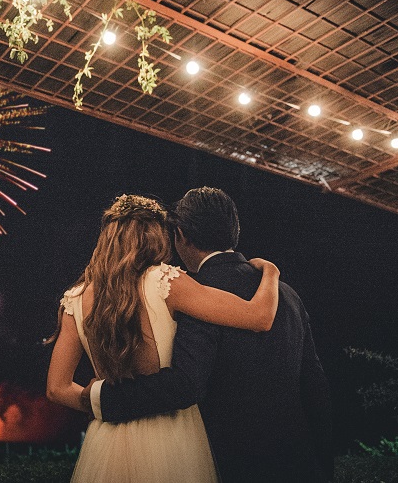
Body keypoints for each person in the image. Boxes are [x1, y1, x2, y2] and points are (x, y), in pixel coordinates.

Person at [82, 187, 333, 482]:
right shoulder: (286, 295)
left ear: (181, 235)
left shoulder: (192, 292)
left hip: (228, 463)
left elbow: (185, 384)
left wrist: (102, 397)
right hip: (299, 463)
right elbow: (315, 385)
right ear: (234, 231)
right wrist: (323, 468)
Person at [46, 193, 281, 483]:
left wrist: (101, 401)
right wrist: (271, 272)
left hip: (106, 438)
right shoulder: (166, 281)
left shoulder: (76, 299)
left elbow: (56, 389)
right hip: (171, 433)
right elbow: (259, 317)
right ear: (157, 236)